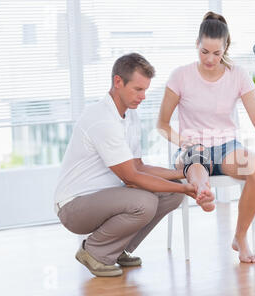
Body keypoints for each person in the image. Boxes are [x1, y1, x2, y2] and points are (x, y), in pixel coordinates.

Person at [54, 53, 201, 277]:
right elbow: (131, 176)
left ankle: (113, 250)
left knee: (171, 194)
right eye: (138, 89)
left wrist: (179, 174)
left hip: (106, 197)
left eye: (145, 90)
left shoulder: (130, 116)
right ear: (118, 82)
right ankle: (93, 251)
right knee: (145, 201)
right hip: (74, 207)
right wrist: (186, 188)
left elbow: (138, 166)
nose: (142, 96)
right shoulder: (102, 118)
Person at [157, 12, 255, 263]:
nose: (210, 59)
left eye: (216, 53)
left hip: (227, 148)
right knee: (197, 159)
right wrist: (182, 141)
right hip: (192, 147)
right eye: (204, 52)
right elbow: (162, 125)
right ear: (197, 45)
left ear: (226, 48)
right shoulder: (180, 76)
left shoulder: (238, 75)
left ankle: (240, 236)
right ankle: (203, 191)